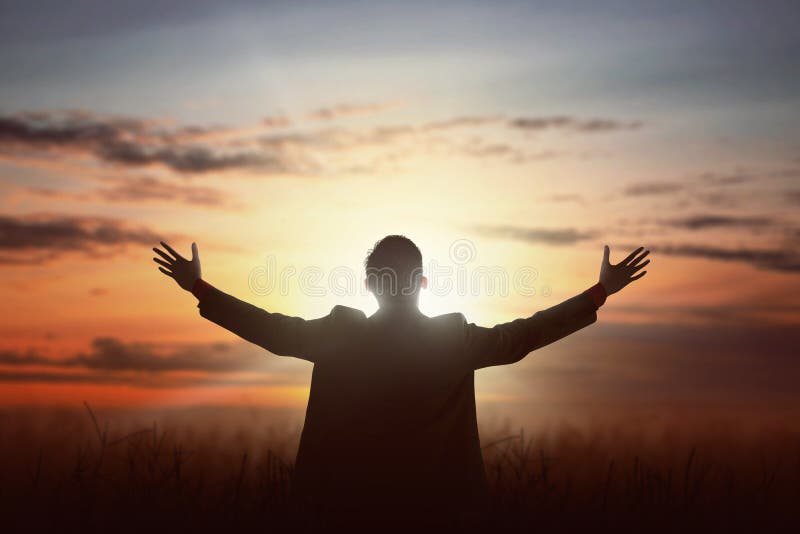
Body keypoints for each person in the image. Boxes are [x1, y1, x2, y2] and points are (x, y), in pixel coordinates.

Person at [152, 236, 649, 529]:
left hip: (342, 512)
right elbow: (525, 334)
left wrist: (198, 286)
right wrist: (600, 291)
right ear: (424, 285)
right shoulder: (452, 341)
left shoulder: (338, 336)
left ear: (368, 284)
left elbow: (268, 328)